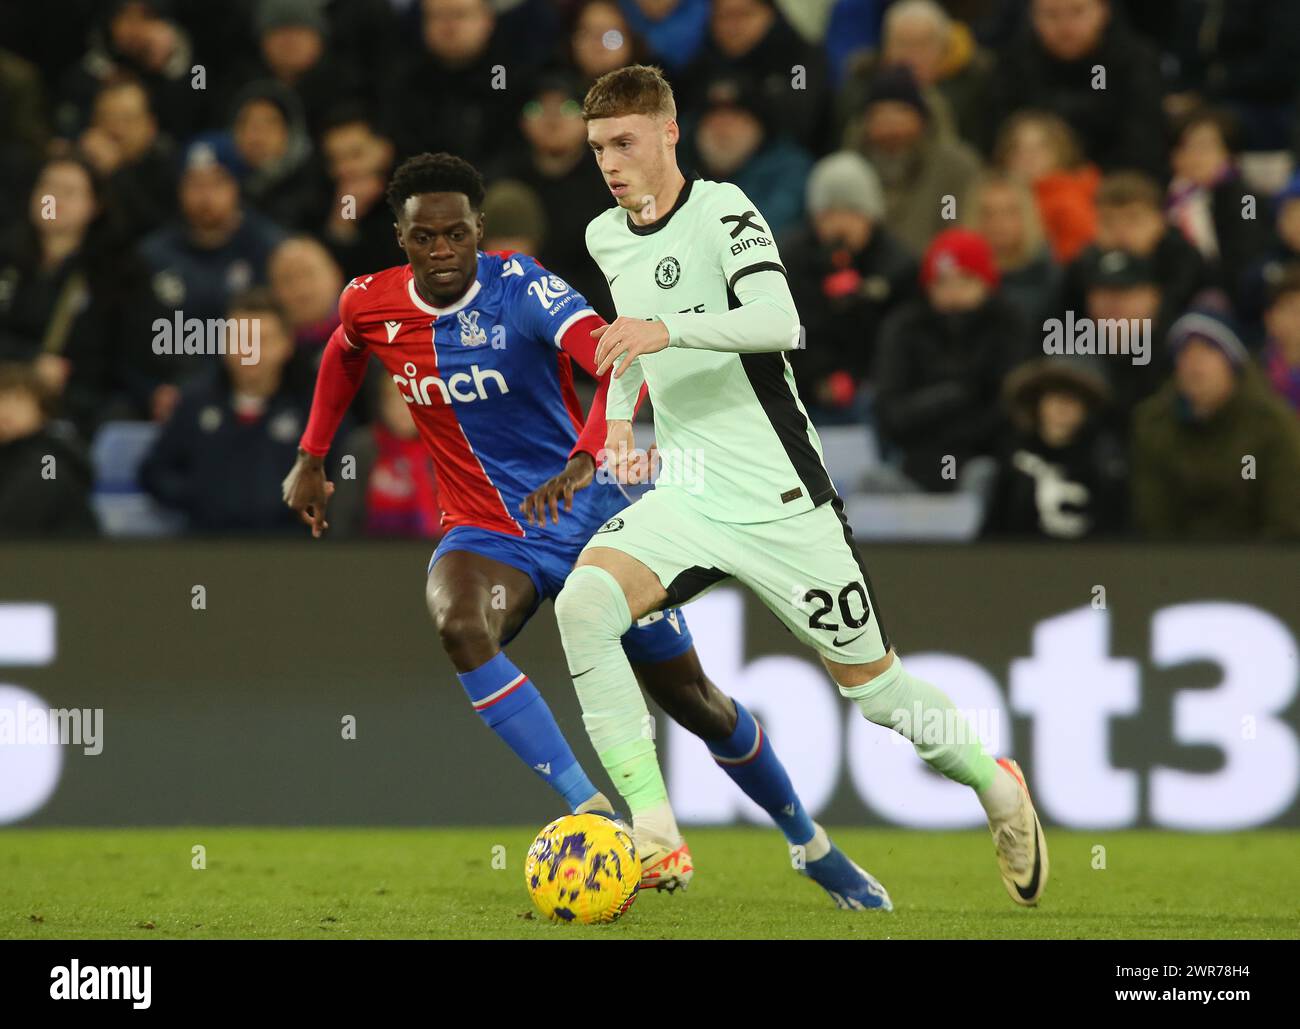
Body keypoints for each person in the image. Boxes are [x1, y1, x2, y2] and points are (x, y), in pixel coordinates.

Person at [280, 152, 881, 905]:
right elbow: (342, 352)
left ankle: (810, 841)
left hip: (592, 520)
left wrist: (589, 453)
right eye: (423, 238)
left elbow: (613, 356)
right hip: (487, 532)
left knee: (695, 701)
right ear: (400, 238)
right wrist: (312, 453)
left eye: (455, 235)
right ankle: (591, 808)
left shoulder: (525, 289)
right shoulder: (371, 302)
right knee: (461, 624)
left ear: (479, 231)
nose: (441, 252)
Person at [560, 64, 1046, 909]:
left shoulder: (725, 211)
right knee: (584, 606)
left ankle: (996, 785)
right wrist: (619, 423)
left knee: (880, 696)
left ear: (670, 134)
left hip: (785, 499)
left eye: (626, 142)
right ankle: (653, 829)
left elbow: (780, 323)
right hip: (692, 490)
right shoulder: (607, 235)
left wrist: (663, 328)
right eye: (599, 145)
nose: (610, 160)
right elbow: (631, 347)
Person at [142, 289, 317, 534]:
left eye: (262, 340)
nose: (249, 351)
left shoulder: (314, 409)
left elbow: (345, 472)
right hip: (206, 547)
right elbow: (155, 472)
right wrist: (199, 495)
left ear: (286, 345)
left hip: (290, 548)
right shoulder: (194, 403)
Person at [873, 228, 1029, 491]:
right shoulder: (904, 327)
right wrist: (955, 396)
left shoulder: (1007, 324)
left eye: (965, 280)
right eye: (942, 282)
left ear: (985, 283)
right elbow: (889, 411)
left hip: (989, 462)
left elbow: (1010, 405)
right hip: (914, 462)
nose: (953, 292)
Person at [1132, 308, 1300, 539]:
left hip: (1255, 563)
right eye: (1184, 351)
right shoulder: (1153, 425)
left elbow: (1284, 517)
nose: (1194, 362)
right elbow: (1152, 517)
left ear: (1232, 363)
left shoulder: (1271, 426)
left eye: (1209, 349)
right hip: (1172, 564)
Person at [782, 151, 917, 422]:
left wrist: (859, 301)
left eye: (853, 212)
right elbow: (790, 332)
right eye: (830, 214)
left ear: (872, 216)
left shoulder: (898, 265)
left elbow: (903, 339)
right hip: (805, 388)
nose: (840, 225)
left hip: (875, 390)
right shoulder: (789, 260)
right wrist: (820, 379)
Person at [981, 359, 1126, 539]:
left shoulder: (1103, 459)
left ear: (1087, 409)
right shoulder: (1014, 453)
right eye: (1055, 397)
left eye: (1072, 399)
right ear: (1038, 403)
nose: (1062, 408)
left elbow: (1116, 531)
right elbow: (994, 527)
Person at [0, 362, 98, 537]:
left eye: (18, 400)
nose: (6, 410)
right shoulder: (8, 456)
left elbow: (16, 520)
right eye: (1, 400)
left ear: (43, 411)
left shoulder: (50, 459)